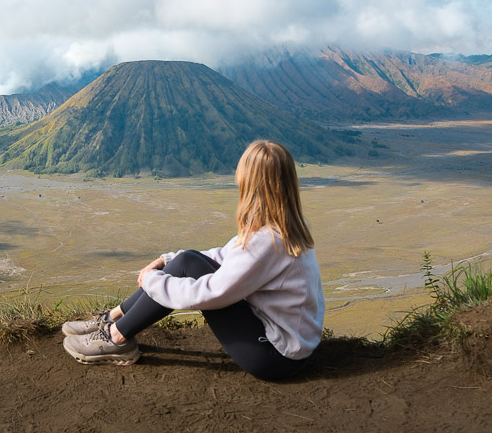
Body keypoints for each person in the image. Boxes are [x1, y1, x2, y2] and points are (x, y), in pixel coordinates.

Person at [61, 140, 325, 380]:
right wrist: (166, 260)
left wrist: (155, 281)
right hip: (294, 345)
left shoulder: (269, 240)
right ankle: (112, 319)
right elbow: (227, 256)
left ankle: (116, 337)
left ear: (250, 183)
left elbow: (210, 293)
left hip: (277, 357)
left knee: (188, 271)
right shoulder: (285, 226)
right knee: (187, 260)